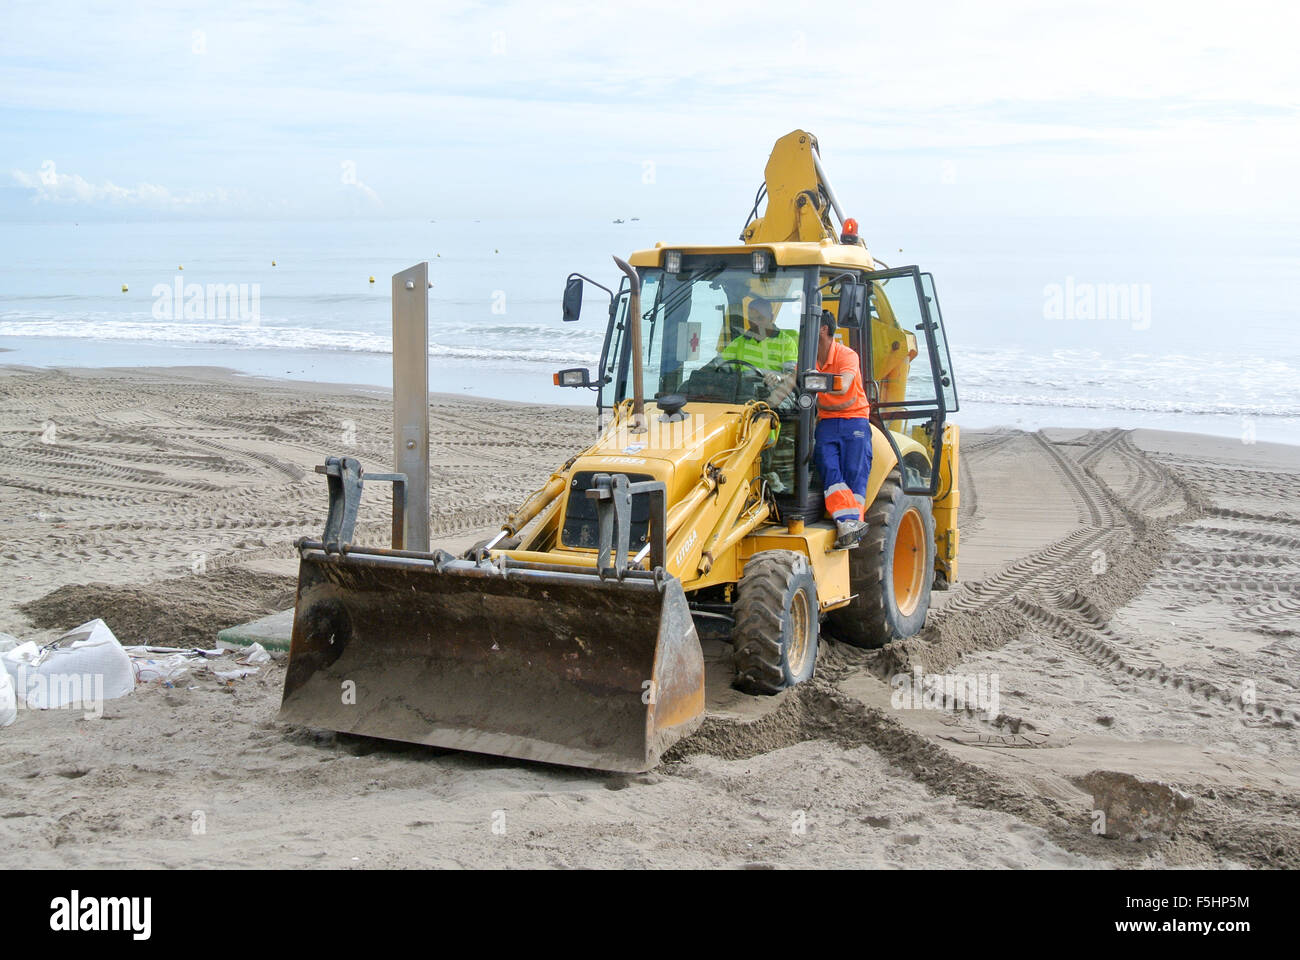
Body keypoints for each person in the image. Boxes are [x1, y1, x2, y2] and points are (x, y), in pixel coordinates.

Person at [814, 310, 872, 547]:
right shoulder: (808, 360)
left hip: (854, 420)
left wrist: (812, 380)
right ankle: (848, 523)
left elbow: (844, 385)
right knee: (828, 467)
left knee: (853, 472)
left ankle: (851, 526)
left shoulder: (847, 355)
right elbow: (790, 384)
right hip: (827, 421)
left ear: (823, 329)